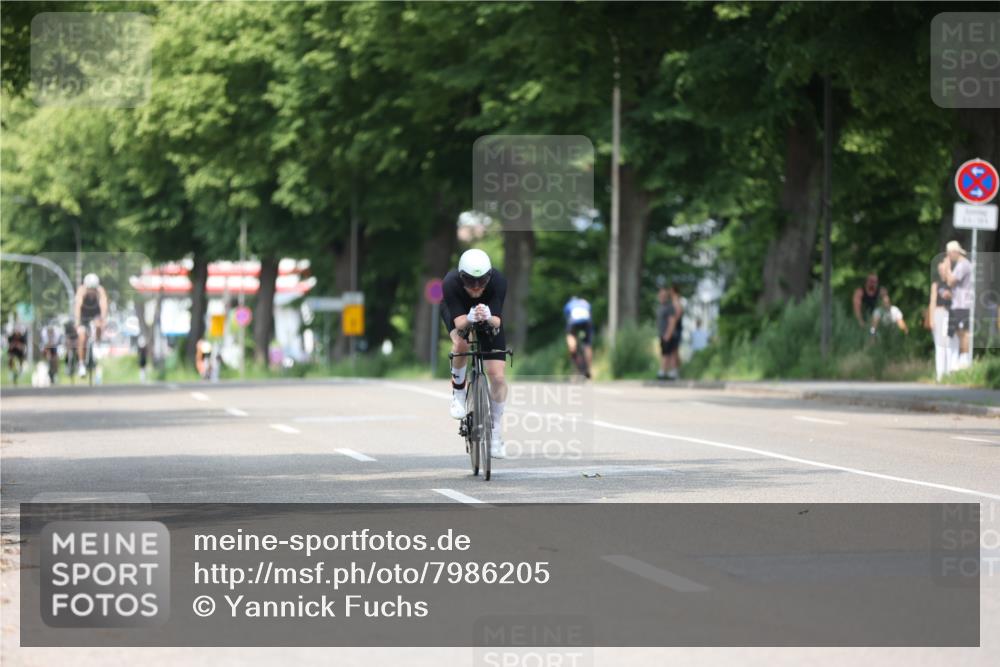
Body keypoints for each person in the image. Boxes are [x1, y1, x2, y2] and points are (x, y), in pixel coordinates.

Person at [441, 248, 508, 459]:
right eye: (470, 281)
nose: (477, 287)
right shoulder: (450, 282)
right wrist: (469, 318)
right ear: (461, 277)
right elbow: (460, 322)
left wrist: (488, 317)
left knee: (497, 375)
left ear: (489, 276)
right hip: (460, 313)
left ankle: (496, 433)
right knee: (462, 343)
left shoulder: (498, 281)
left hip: (487, 315)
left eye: (482, 281)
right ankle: (459, 393)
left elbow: (497, 320)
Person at [939, 240, 973, 370]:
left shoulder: (962, 265)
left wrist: (946, 268)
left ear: (954, 252)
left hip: (962, 304)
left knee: (963, 332)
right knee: (959, 332)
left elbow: (951, 281)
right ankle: (962, 359)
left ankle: (964, 361)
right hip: (958, 304)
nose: (949, 257)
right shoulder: (961, 264)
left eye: (949, 254)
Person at [74, 273, 109, 377]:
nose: (92, 291)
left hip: (95, 313)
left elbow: (104, 306)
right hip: (83, 314)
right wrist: (77, 322)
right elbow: (77, 306)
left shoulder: (100, 291)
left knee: (99, 325)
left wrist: (103, 320)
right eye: (90, 289)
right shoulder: (81, 291)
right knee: (82, 336)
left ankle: (97, 343)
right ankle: (81, 364)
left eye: (94, 289)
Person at [928, 260, 953, 381]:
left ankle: (949, 373)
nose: (942, 272)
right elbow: (932, 301)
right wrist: (931, 319)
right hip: (938, 313)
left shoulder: (952, 283)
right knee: (939, 344)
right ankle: (940, 374)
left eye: (944, 269)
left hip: (949, 313)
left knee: (948, 343)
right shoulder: (936, 285)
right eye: (940, 270)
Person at [656, 285, 684, 380]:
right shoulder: (664, 306)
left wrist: (669, 333)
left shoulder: (672, 304)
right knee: (671, 353)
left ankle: (664, 372)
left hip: (669, 334)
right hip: (666, 333)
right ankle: (672, 372)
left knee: (668, 354)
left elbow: (673, 319)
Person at [563, 295, 593, 378]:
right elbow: (590, 313)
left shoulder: (569, 304)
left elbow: (567, 317)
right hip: (586, 322)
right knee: (587, 344)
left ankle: (572, 348)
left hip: (574, 323)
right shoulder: (585, 302)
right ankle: (589, 369)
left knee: (570, 336)